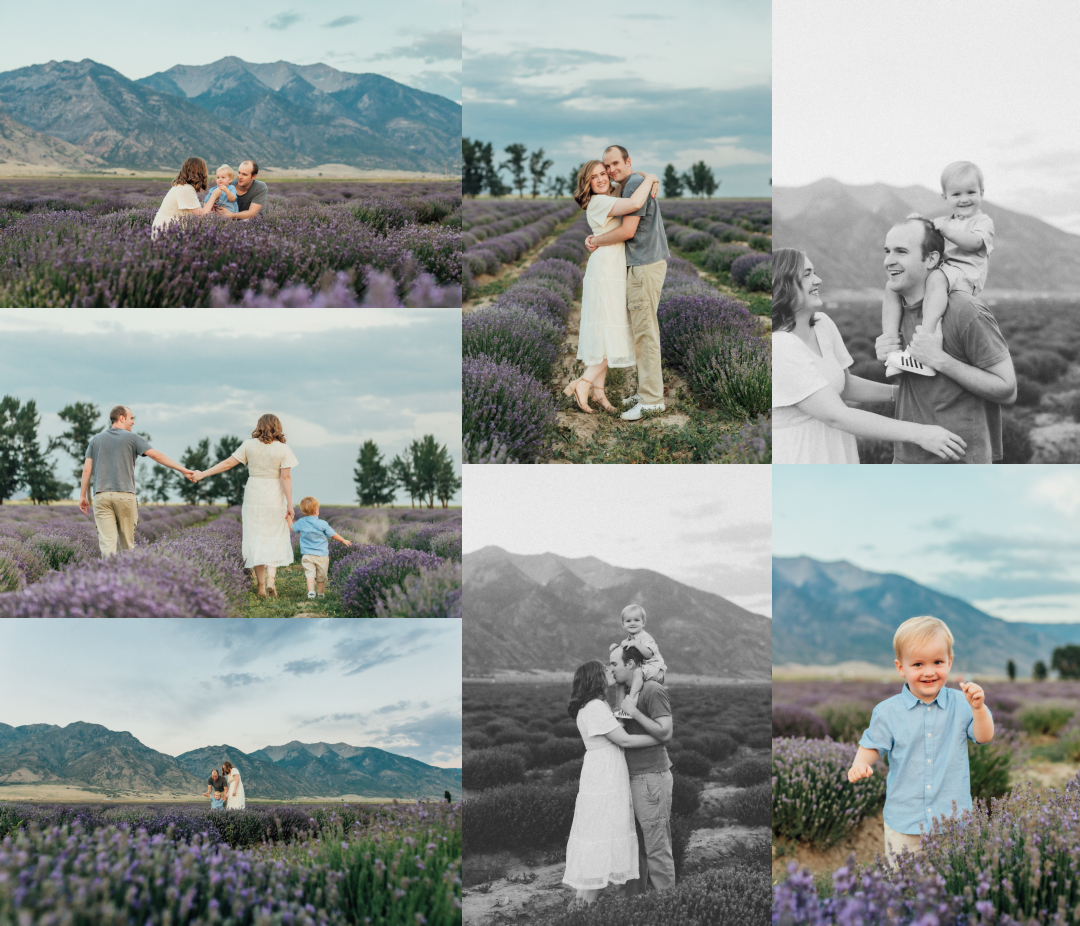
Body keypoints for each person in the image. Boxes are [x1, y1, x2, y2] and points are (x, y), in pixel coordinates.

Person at [772, 248, 969, 464]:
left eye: (814, 272)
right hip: (801, 455)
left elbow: (845, 386)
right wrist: (921, 434)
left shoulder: (822, 324)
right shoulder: (781, 346)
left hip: (835, 450)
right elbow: (836, 416)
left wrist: (905, 393)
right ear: (784, 283)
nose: (818, 280)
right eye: (807, 274)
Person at [848, 616, 994, 867]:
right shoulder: (887, 711)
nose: (929, 671)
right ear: (901, 667)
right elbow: (872, 744)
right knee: (903, 888)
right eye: (917, 664)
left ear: (949, 662)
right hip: (904, 821)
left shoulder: (962, 704)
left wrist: (979, 709)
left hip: (952, 821)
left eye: (938, 662)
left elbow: (984, 736)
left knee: (952, 884)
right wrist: (860, 763)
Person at [873, 218, 1017, 463]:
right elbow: (921, 386)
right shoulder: (897, 311)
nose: (889, 260)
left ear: (931, 259)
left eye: (901, 251)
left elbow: (1007, 390)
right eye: (887, 251)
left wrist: (940, 360)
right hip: (907, 458)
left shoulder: (965, 310)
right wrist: (888, 357)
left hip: (960, 464)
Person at [562, 659, 664, 909]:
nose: (610, 671)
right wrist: (659, 737)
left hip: (600, 771)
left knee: (598, 831)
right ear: (595, 678)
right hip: (604, 775)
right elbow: (625, 741)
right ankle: (584, 907)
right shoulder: (595, 706)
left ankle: (581, 904)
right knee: (603, 831)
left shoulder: (590, 706)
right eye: (604, 670)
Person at [882, 162, 995, 376]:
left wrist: (947, 231)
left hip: (966, 275)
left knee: (935, 279)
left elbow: (974, 243)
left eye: (971, 192)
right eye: (956, 194)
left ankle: (926, 338)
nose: (964, 199)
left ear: (982, 192)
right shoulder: (946, 221)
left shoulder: (982, 221)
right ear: (945, 197)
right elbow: (928, 232)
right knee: (891, 288)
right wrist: (917, 221)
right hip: (945, 271)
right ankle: (892, 346)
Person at [564, 160, 659, 414]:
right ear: (587, 184)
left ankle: (599, 393)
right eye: (593, 177)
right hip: (607, 269)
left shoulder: (608, 198)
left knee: (608, 328)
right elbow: (636, 203)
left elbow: (627, 184)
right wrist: (650, 177)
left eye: (603, 173)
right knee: (614, 328)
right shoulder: (600, 202)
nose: (601, 179)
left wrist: (641, 174)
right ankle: (582, 383)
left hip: (611, 266)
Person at [584, 145, 671, 422]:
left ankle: (652, 401)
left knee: (645, 334)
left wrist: (595, 240)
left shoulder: (634, 184)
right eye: (606, 167)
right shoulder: (633, 183)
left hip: (644, 266)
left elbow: (628, 230)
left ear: (628, 161)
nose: (610, 171)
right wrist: (651, 175)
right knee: (641, 333)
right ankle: (646, 392)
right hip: (643, 265)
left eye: (614, 164)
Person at [190, 414, 297, 598]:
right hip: (274, 494)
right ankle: (272, 580)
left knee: (255, 536)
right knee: (274, 535)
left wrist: (203, 474)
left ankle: (261, 585)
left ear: (259, 426)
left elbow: (227, 464)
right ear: (277, 427)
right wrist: (290, 503)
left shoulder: (249, 445)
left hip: (254, 492)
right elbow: (285, 477)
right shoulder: (283, 449)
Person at [79, 406, 193, 556]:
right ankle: (127, 576)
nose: (133, 422)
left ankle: (107, 577)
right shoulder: (133, 438)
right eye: (131, 418)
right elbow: (157, 456)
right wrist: (183, 470)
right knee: (127, 545)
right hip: (125, 495)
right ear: (121, 418)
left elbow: (87, 470)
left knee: (107, 545)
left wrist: (83, 497)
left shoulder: (95, 440)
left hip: (101, 496)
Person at [609, 644, 675, 895]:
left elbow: (666, 732)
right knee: (633, 846)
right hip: (629, 777)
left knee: (656, 846)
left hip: (651, 777)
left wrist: (633, 710)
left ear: (631, 665)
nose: (610, 668)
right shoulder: (624, 692)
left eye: (614, 664)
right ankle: (636, 907)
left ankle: (667, 908)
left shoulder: (652, 690)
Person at [608, 605, 665, 718]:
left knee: (638, 672)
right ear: (623, 624)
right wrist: (617, 647)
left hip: (655, 668)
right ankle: (619, 710)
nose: (632, 623)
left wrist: (636, 644)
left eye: (636, 620)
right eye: (628, 621)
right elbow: (626, 652)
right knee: (620, 684)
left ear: (643, 623)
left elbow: (649, 655)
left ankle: (630, 702)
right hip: (644, 668)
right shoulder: (629, 639)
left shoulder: (645, 637)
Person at [291, 495, 352, 599]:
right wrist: (343, 540)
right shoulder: (322, 524)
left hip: (307, 555)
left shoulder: (301, 522)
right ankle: (320, 594)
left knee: (309, 574)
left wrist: (288, 518)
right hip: (322, 556)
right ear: (315, 511)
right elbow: (332, 534)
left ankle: (311, 592)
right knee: (321, 577)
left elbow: (292, 528)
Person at [151, 157, 224, 235]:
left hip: (166, 230)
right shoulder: (185, 189)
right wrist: (213, 196)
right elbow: (201, 217)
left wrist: (210, 206)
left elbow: (196, 213)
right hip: (167, 233)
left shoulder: (182, 186)